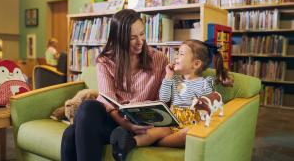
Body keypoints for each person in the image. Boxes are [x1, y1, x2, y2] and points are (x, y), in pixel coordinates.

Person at [60, 9, 168, 161]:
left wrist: (135, 124)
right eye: (132, 38)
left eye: (142, 34)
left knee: (70, 134)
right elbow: (107, 100)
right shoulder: (105, 61)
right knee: (88, 106)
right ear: (118, 39)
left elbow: (163, 100)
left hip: (141, 123)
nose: (140, 42)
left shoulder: (160, 59)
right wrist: (125, 124)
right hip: (115, 119)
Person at [110, 39, 234, 159]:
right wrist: (168, 77)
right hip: (172, 121)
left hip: (191, 124)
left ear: (195, 64)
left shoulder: (204, 83)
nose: (176, 57)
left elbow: (209, 105)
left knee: (188, 134)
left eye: (181, 54)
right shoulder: (174, 80)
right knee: (157, 130)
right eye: (177, 53)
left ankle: (155, 142)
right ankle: (129, 143)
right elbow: (164, 99)